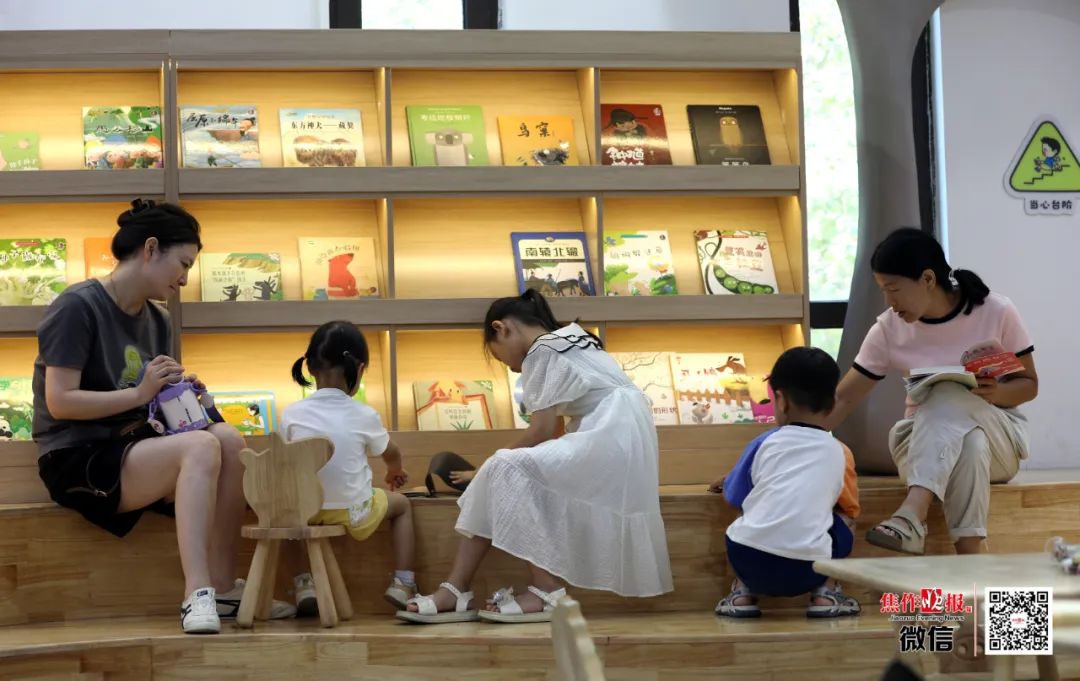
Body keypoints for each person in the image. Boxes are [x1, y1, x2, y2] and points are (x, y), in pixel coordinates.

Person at [33, 199, 294, 635]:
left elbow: (155, 407)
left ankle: (223, 587)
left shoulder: (159, 319)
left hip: (137, 443)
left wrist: (191, 401)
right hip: (76, 456)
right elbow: (60, 402)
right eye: (183, 264)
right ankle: (197, 592)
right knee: (201, 446)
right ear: (151, 248)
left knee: (229, 440)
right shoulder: (77, 306)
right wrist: (141, 392)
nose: (185, 279)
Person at [399, 290, 673, 624]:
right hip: (622, 441)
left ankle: (545, 591)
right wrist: (494, 470)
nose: (513, 369)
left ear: (501, 328)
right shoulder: (572, 338)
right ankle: (457, 589)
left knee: (502, 466)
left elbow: (541, 431)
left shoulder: (541, 350)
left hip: (608, 438)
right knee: (502, 470)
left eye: (501, 359)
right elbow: (552, 433)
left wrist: (486, 467)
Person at [828, 227, 1037, 555]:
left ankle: (912, 513)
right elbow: (843, 397)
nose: (889, 302)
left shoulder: (996, 311)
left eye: (893, 289)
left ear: (927, 278)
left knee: (948, 392)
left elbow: (1029, 385)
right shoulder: (888, 328)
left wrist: (995, 392)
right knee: (970, 442)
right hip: (919, 447)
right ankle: (972, 556)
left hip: (1000, 444)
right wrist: (780, 445)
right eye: (883, 291)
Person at [711, 347, 861, 618]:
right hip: (809, 570)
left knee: (748, 508)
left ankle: (742, 593)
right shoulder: (841, 451)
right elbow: (850, 507)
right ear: (832, 402)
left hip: (749, 561)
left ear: (780, 400)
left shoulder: (763, 442)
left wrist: (730, 480)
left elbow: (734, 496)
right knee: (846, 520)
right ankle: (825, 594)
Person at [280, 321, 416, 615]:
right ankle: (403, 582)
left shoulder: (291, 414)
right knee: (402, 506)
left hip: (306, 509)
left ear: (310, 367)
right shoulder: (364, 414)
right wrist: (394, 471)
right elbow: (392, 452)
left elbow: (284, 460)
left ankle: (304, 584)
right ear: (360, 368)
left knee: (284, 516)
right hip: (353, 510)